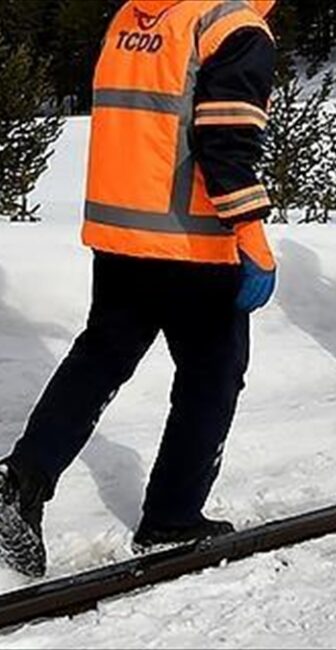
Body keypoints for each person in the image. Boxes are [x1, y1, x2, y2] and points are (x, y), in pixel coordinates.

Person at [0, 0, 279, 577]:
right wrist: (252, 236)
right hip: (193, 242)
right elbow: (224, 142)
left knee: (100, 357)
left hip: (121, 234)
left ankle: (21, 482)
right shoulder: (234, 27)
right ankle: (172, 520)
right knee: (212, 376)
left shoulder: (136, 15)